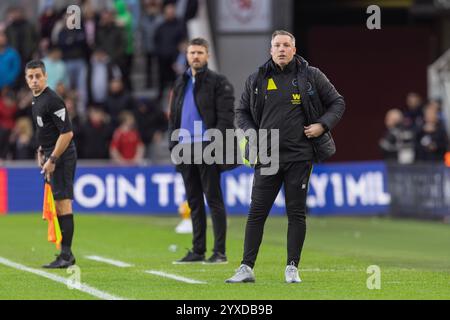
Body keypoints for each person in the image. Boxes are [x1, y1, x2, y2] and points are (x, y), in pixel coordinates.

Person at [226, 30, 345, 283]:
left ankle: (292, 267)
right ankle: (246, 267)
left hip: (299, 156)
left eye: (286, 45)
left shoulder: (311, 76)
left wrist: (322, 125)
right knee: (256, 213)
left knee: (296, 213)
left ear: (293, 49)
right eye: (277, 45)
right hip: (266, 157)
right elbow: (241, 111)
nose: (281, 49)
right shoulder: (257, 78)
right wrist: (251, 132)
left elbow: (337, 102)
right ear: (270, 50)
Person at [168, 38, 235, 264]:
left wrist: (214, 144)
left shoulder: (218, 82)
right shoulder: (180, 82)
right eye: (192, 52)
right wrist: (173, 144)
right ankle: (198, 251)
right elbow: (174, 117)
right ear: (186, 56)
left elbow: (226, 118)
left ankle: (219, 252)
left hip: (207, 145)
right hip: (184, 146)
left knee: (213, 198)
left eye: (199, 52)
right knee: (194, 200)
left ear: (207, 56)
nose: (195, 56)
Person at [25, 60, 77, 269]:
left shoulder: (52, 100)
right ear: (26, 79)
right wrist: (41, 150)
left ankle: (66, 255)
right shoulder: (36, 100)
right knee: (57, 203)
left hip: (62, 156)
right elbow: (46, 130)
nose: (35, 80)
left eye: (38, 76)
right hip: (50, 153)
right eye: (31, 77)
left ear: (45, 76)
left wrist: (53, 159)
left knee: (63, 203)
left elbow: (67, 132)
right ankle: (64, 253)